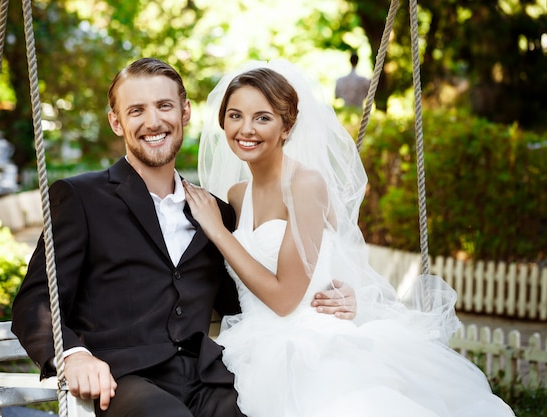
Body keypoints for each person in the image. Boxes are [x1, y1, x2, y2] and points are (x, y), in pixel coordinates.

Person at [11, 57, 356, 417]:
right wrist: (74, 355)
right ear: (116, 122)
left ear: (185, 112)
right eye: (136, 111)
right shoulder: (82, 198)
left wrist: (328, 297)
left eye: (164, 106)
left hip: (206, 379)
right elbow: (35, 300)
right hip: (125, 380)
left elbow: (244, 295)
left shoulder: (216, 214)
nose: (154, 121)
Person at [184, 60, 516, 416]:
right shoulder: (236, 195)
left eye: (262, 117)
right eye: (235, 115)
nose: (246, 128)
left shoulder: (305, 185)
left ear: (287, 126)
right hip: (249, 343)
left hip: (306, 346)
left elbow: (284, 299)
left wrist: (218, 231)